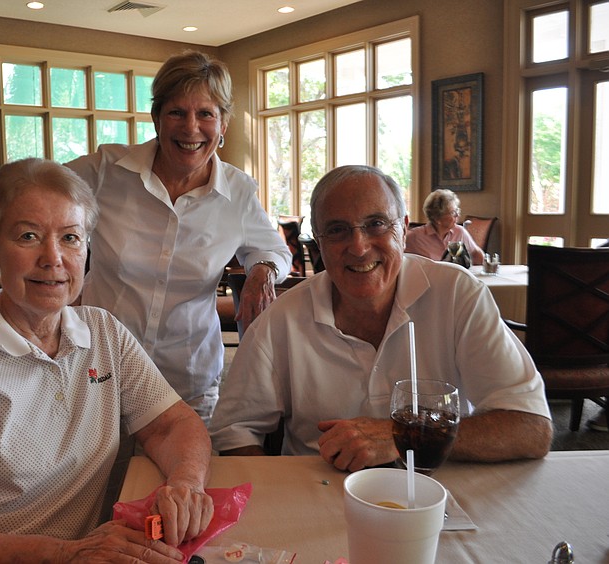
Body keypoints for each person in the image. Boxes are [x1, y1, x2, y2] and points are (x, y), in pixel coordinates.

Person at [0, 159, 213, 563]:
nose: (53, 258)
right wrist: (66, 554)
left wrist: (186, 484)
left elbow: (171, 424)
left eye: (70, 238)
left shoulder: (103, 332)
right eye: (29, 236)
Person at [209, 165, 553, 470]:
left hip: (437, 496)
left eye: (376, 224)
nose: (359, 247)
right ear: (320, 243)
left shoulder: (457, 295)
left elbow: (532, 426)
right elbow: (234, 430)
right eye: (337, 230)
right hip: (321, 497)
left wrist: (406, 437)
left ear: (404, 228)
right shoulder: (281, 321)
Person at [66, 51, 291, 421]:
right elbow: (36, 191)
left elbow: (274, 250)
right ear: (157, 118)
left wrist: (262, 271)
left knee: (186, 460)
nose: (191, 128)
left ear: (223, 123)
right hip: (100, 367)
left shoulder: (237, 192)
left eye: (205, 114)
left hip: (187, 376)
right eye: (176, 112)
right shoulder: (106, 171)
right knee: (99, 460)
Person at [405, 188, 484, 265]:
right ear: (437, 218)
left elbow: (478, 256)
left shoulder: (459, 232)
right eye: (453, 212)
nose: (457, 215)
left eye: (457, 210)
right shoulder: (415, 237)